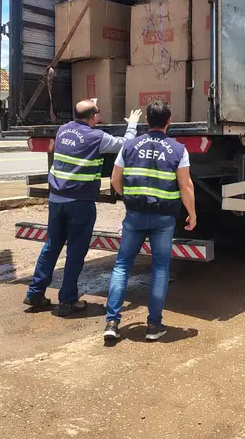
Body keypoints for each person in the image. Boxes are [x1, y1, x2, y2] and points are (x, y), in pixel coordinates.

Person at [24, 100, 142, 316]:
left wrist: (91, 105)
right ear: (94, 116)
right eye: (97, 113)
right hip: (79, 203)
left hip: (56, 200)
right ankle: (67, 300)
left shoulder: (62, 130)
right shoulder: (96, 137)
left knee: (51, 246)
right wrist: (132, 124)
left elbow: (82, 122)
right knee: (75, 252)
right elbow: (125, 145)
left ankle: (35, 292)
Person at [103, 100, 196, 342]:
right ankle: (154, 326)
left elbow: (115, 180)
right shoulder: (178, 149)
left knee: (122, 265)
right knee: (160, 269)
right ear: (169, 120)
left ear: (146, 120)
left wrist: (130, 197)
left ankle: (112, 322)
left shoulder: (130, 146)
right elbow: (185, 186)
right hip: (164, 219)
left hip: (134, 216)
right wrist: (192, 214)